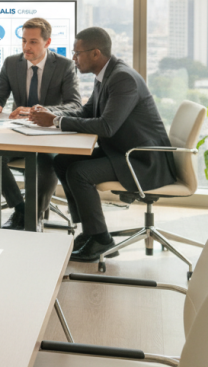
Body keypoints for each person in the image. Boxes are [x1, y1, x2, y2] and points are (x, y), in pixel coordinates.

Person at [31, 27, 176, 262]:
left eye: (77, 53)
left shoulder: (122, 78)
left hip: (143, 159)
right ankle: (90, 231)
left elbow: (107, 126)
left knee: (79, 172)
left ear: (96, 53)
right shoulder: (105, 75)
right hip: (122, 152)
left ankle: (101, 239)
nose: (74, 59)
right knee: (63, 161)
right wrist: (51, 114)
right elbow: (87, 112)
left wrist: (56, 121)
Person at [0, 17, 82, 230]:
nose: (26, 47)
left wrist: (39, 110)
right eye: (24, 41)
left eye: (33, 42)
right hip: (17, 134)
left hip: (49, 135)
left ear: (47, 42)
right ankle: (21, 210)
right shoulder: (11, 63)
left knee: (47, 166)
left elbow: (74, 105)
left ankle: (30, 218)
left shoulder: (64, 66)